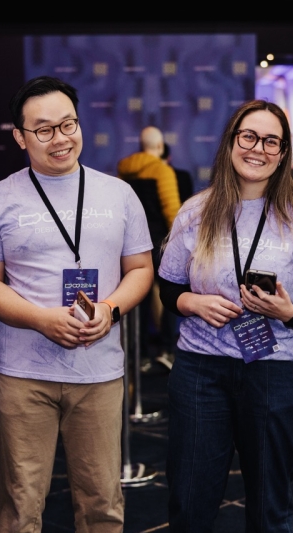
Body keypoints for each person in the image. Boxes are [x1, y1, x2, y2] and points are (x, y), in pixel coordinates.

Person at [0, 76, 153, 533]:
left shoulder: (119, 193)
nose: (60, 139)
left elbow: (141, 270)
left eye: (68, 124)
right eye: (44, 129)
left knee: (101, 502)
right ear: (20, 136)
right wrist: (41, 319)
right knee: (20, 504)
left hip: (99, 372)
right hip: (24, 374)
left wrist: (109, 310)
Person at [158, 100, 293, 532]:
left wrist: (289, 311)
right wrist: (194, 303)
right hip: (201, 371)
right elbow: (168, 289)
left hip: (274, 372)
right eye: (249, 136)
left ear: (282, 155)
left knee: (270, 504)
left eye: (271, 141)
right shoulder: (195, 212)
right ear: (231, 143)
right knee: (190, 500)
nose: (258, 148)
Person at [118, 126, 182, 370]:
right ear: (159, 146)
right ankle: (166, 349)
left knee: (138, 300)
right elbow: (172, 211)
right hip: (159, 242)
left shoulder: (124, 170)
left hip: (132, 244)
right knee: (171, 294)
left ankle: (141, 353)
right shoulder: (162, 170)